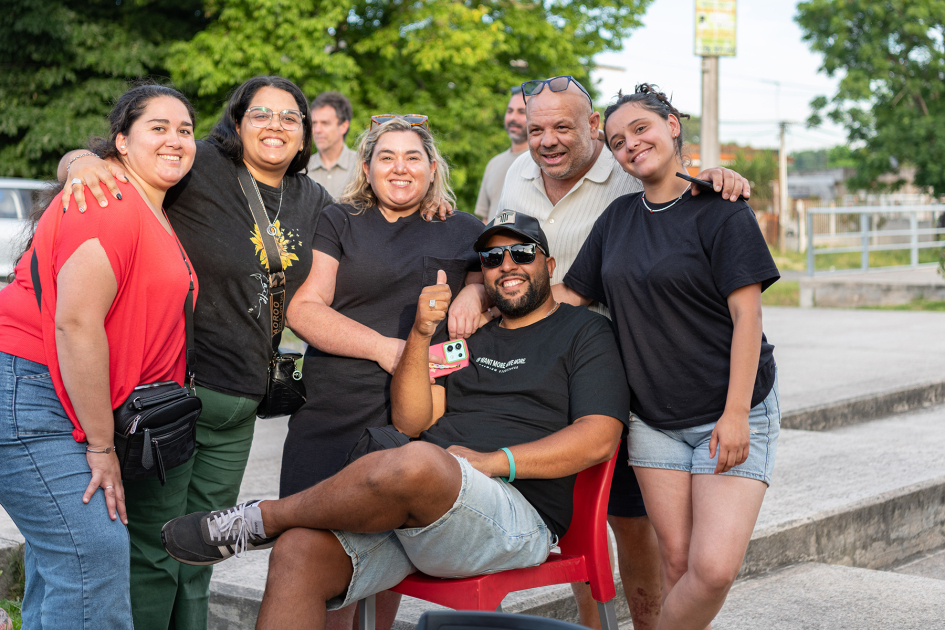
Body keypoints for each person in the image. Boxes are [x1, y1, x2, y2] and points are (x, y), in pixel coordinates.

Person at [159, 213, 631, 630]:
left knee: (415, 461)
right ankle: (276, 529)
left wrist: (490, 463)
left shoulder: (585, 331)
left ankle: (261, 519)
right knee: (298, 551)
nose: (506, 265)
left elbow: (598, 439)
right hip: (429, 501)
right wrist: (423, 332)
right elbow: (414, 416)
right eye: (491, 258)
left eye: (521, 253)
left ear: (548, 265)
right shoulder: (469, 338)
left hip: (514, 514)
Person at [58, 76, 333, 630]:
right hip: (175, 395)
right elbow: (120, 155)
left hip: (240, 406)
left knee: (203, 550)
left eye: (289, 118)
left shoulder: (315, 199)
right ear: (236, 123)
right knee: (156, 551)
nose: (275, 126)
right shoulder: (200, 168)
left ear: (305, 137)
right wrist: (79, 162)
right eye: (261, 114)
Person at [491, 74, 755, 630]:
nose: (548, 138)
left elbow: (745, 313)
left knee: (646, 536)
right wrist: (484, 294)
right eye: (537, 128)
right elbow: (534, 271)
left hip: (631, 385)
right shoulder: (513, 172)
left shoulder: (639, 185)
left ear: (590, 127)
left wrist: (717, 173)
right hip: (558, 383)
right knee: (587, 531)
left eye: (564, 125)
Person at [558, 84, 781, 630]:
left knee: (711, 572)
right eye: (616, 141)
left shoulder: (721, 212)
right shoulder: (616, 220)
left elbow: (747, 318)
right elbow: (569, 298)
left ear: (672, 125)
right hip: (652, 421)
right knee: (676, 564)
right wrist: (488, 299)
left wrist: (734, 416)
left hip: (730, 409)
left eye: (640, 129)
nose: (631, 145)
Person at [0, 84, 199, 630]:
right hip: (30, 388)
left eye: (184, 130)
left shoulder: (147, 206)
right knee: (94, 555)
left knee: (61, 559)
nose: (175, 139)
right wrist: (101, 444)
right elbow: (76, 322)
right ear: (121, 142)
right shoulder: (108, 201)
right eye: (157, 127)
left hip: (57, 394)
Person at [279, 114, 486, 630]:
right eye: (386, 157)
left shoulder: (464, 229)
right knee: (309, 549)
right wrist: (385, 349)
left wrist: (475, 291)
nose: (400, 168)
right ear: (366, 167)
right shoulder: (340, 219)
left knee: (378, 561)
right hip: (333, 406)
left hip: (413, 414)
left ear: (432, 167)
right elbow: (304, 309)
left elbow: (506, 284)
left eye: (413, 157)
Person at [474, 87, 528, 222]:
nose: (513, 118)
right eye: (509, 111)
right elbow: (485, 219)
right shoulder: (494, 163)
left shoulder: (543, 162)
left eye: (521, 112)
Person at [307, 91, 358, 199]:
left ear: (343, 126)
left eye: (325, 123)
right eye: (314, 123)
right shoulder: (302, 170)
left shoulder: (361, 167)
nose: (317, 130)